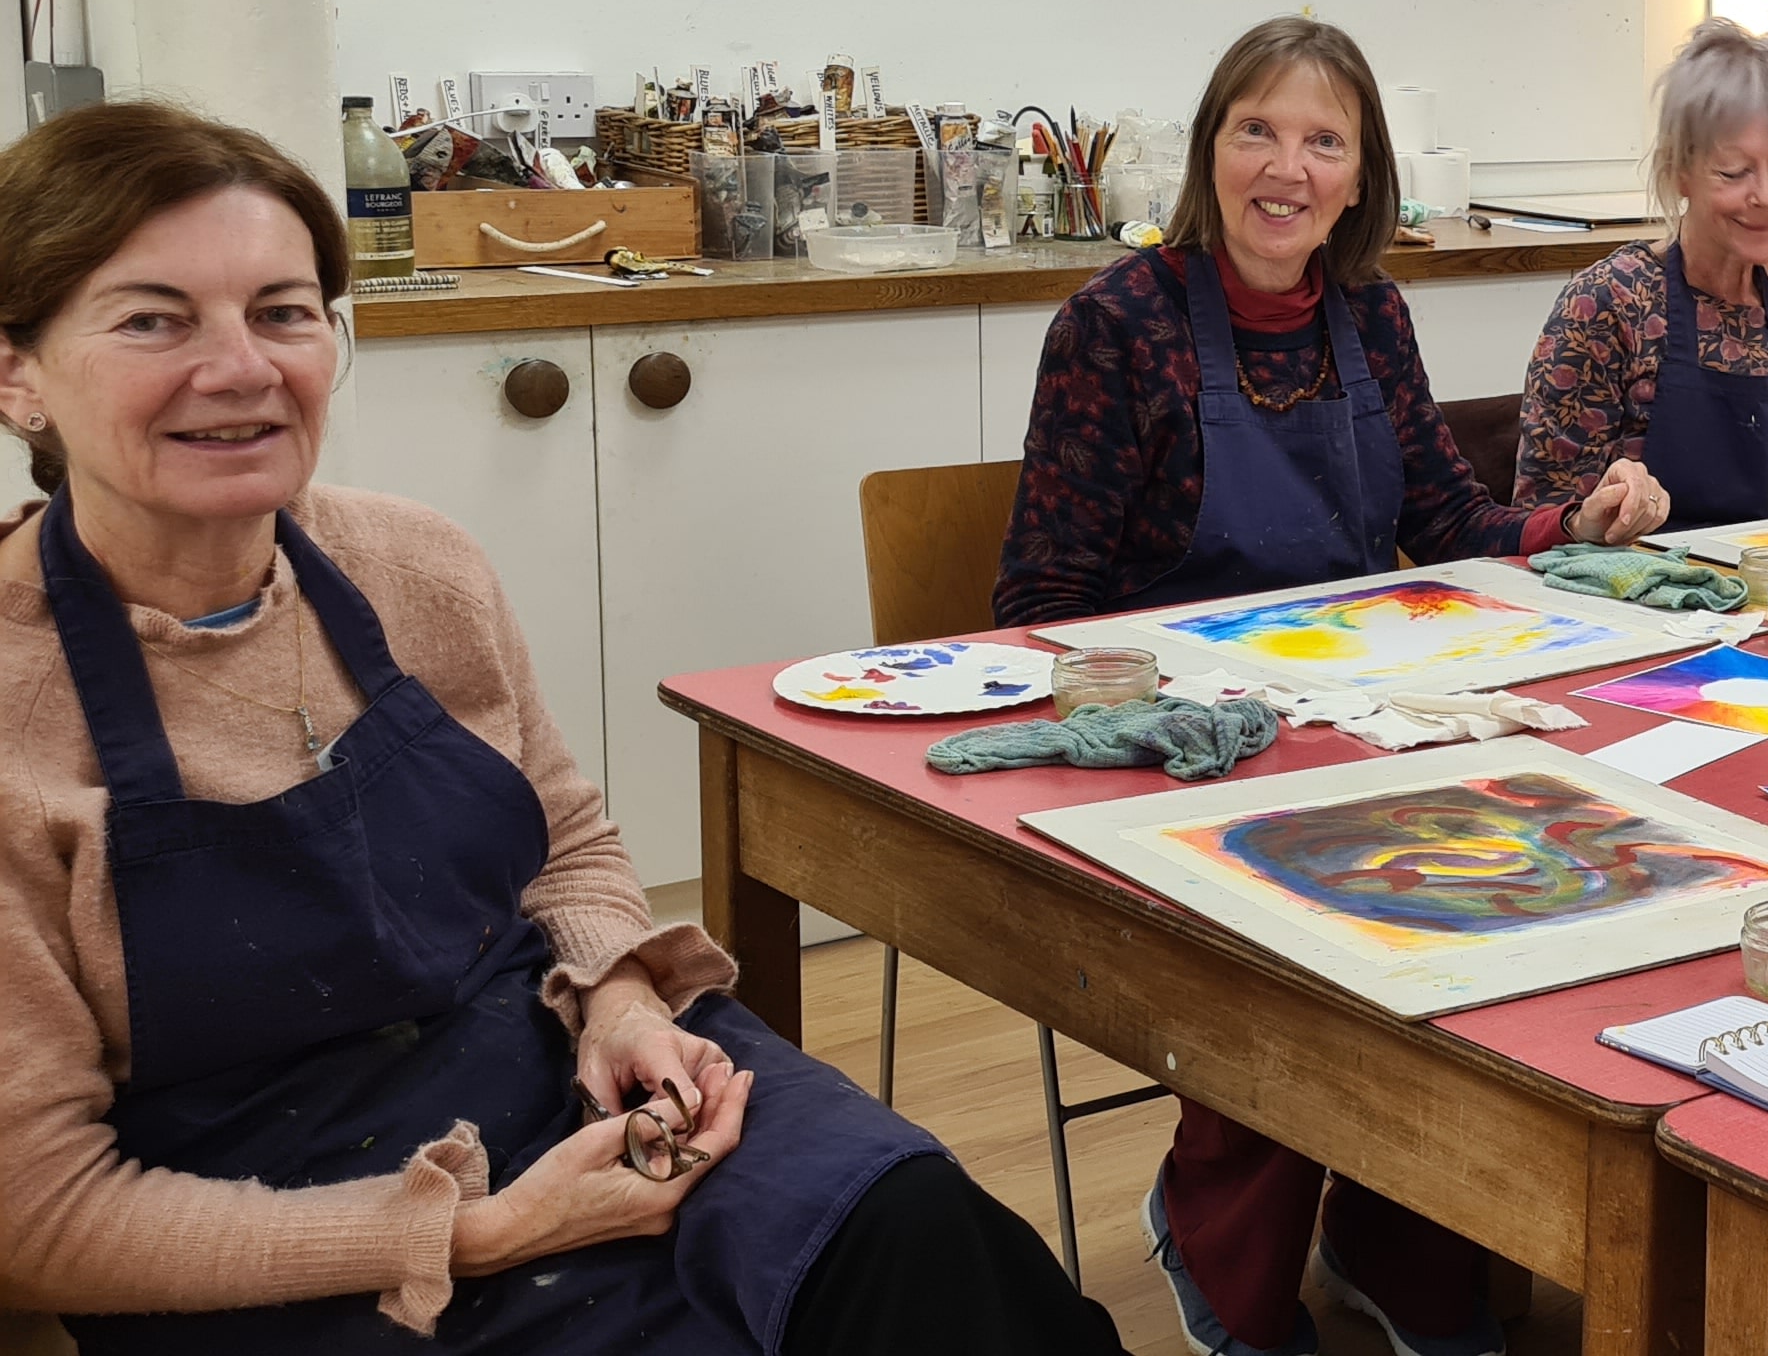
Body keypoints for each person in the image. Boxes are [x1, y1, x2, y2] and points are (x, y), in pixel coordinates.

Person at [0, 102, 1119, 1355]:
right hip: (280, 1216)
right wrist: (470, 1234)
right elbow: (35, 1212)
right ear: (17, 371)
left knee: (919, 1238)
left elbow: (566, 842)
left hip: (558, 1067)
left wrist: (626, 1001)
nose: (242, 367)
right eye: (153, 318)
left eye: (283, 310)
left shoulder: (413, 566)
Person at [998, 18, 1662, 1356]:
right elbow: (1039, 614)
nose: (1285, 168)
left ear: (1363, 179)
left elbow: (1448, 519)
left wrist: (1571, 527)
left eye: (1323, 141)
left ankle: (1397, 1234)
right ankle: (1220, 1241)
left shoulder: (1369, 313)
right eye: (1257, 130)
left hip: (1358, 724)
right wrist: (1174, 714)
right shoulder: (1116, 328)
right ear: (1209, 150)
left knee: (1518, 883)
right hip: (1182, 748)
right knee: (1310, 938)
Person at [1516, 20, 1768, 527]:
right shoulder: (1608, 304)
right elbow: (1545, 523)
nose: (1765, 196)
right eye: (1733, 172)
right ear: (1680, 172)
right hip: (1641, 598)